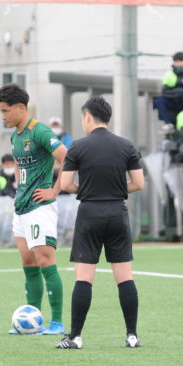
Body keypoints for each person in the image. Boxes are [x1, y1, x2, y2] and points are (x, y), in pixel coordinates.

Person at [56, 96, 145, 350]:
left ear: (87, 117)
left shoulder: (77, 147)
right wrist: (116, 190)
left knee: (84, 279)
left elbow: (65, 185)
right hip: (118, 212)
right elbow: (139, 183)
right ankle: (132, 336)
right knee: (125, 278)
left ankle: (75, 337)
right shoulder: (126, 145)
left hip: (89, 213)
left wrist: (86, 190)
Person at [0, 83, 68, 336]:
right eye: (0, 112)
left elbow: (66, 158)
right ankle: (33, 318)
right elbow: (18, 163)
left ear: (20, 108)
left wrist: (55, 190)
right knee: (28, 262)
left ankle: (57, 322)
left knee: (45, 261)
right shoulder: (16, 135)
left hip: (40, 207)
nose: (3, 116)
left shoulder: (39, 131)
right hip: (22, 207)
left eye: (5, 111)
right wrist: (18, 187)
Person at [158, 51, 183, 126]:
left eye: (180, 61)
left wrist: (179, 90)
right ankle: (168, 123)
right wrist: (182, 89)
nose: (178, 63)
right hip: (172, 100)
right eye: (176, 61)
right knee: (159, 101)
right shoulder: (169, 74)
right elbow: (165, 91)